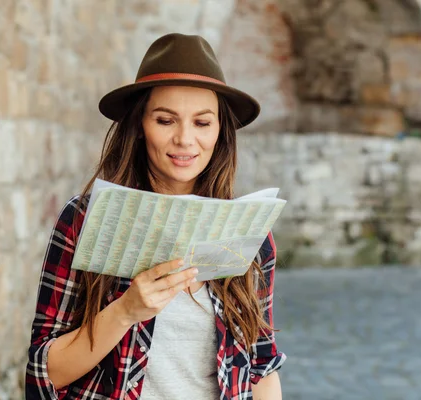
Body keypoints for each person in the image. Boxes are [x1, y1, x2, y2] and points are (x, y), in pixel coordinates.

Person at [25, 33, 286, 400]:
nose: (185, 139)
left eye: (202, 122)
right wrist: (126, 311)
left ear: (219, 132)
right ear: (139, 127)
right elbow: (44, 372)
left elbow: (261, 367)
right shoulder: (86, 219)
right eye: (166, 120)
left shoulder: (250, 234)